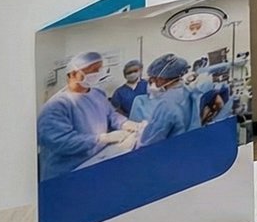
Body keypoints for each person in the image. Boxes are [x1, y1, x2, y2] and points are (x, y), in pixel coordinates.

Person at [37, 52, 140, 180]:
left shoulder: (97, 94)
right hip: (66, 173)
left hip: (95, 160)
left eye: (99, 69)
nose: (97, 74)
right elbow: (62, 142)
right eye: (92, 70)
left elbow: (110, 115)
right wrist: (102, 139)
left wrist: (124, 123)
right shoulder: (56, 106)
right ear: (73, 74)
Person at [136, 53, 202, 147]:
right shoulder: (188, 91)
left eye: (155, 79)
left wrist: (139, 139)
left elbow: (151, 141)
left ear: (163, 78)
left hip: (174, 150)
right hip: (191, 144)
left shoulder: (167, 103)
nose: (153, 83)